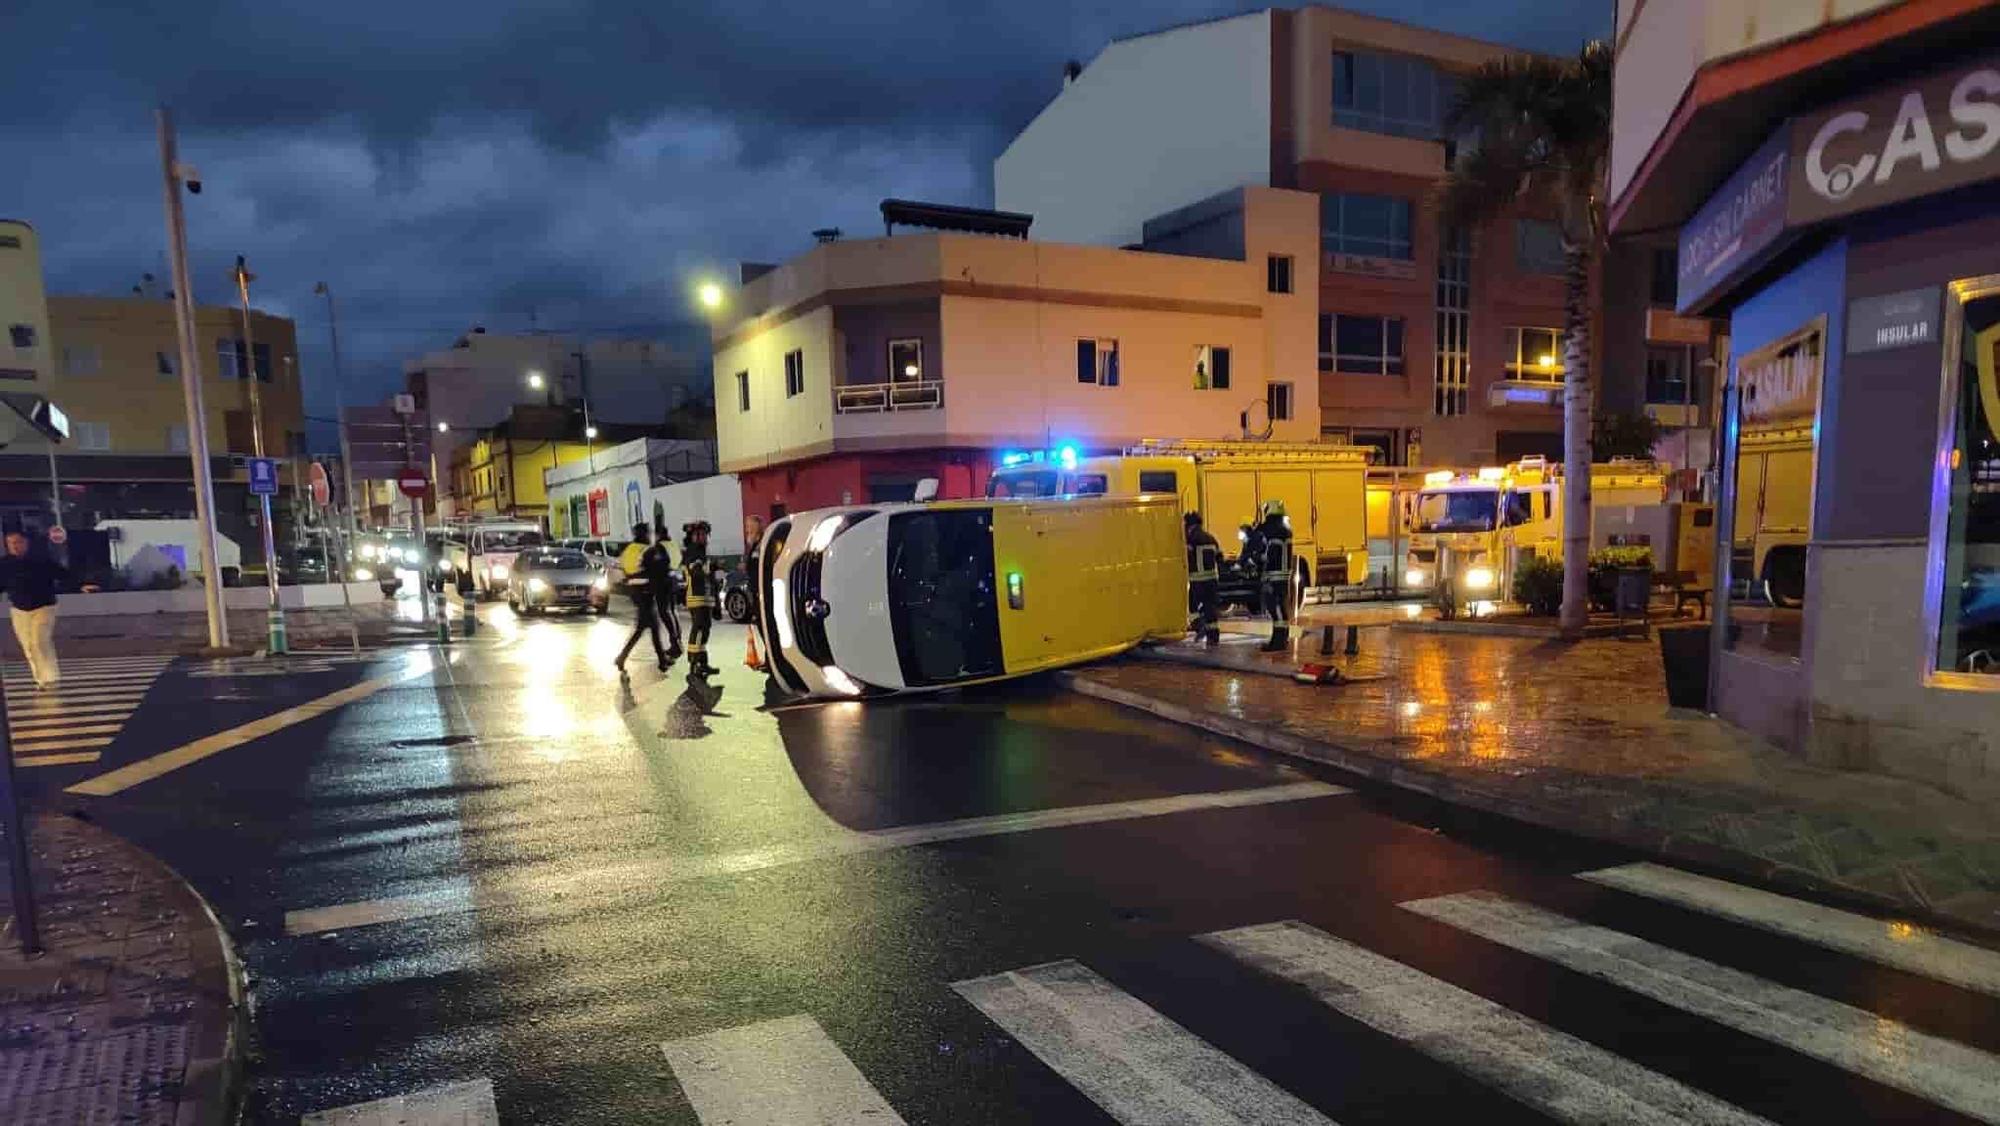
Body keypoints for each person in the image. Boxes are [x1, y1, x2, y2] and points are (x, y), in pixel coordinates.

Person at [2, 530, 68, 689]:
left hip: (44, 606)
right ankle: (40, 679)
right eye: (10, 543)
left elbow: (63, 574)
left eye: (18, 542)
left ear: (26, 543)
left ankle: (51, 678)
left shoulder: (41, 560)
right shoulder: (4, 564)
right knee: (28, 645)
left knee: (39, 641)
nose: (15, 546)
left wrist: (81, 584)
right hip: (19, 609)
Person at [613, 522, 674, 674]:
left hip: (635, 592)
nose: (650, 535)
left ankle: (661, 660)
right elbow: (656, 570)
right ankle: (659, 660)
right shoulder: (647, 550)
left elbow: (623, 570)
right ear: (644, 534)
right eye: (648, 533)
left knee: (647, 627)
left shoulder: (629, 550)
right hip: (646, 591)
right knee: (650, 627)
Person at [1255, 500, 1295, 653]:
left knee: (1274, 607)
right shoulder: (1286, 528)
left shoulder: (1269, 529)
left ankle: (1277, 642)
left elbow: (1260, 544)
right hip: (1284, 574)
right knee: (1282, 607)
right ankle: (1283, 638)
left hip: (1273, 574)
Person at [682, 521, 715, 677]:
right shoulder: (692, 551)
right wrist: (703, 571)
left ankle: (703, 662)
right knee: (698, 629)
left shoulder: (701, 552)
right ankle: (694, 663)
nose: (704, 537)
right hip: (696, 596)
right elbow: (695, 571)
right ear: (694, 536)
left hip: (704, 597)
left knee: (705, 630)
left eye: (705, 534)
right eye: (700, 534)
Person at [1184, 511, 1221, 645]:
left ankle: (1200, 627)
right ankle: (1213, 637)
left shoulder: (1190, 539)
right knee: (1210, 608)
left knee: (1193, 608)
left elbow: (1186, 558)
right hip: (1212, 580)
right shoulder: (1211, 538)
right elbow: (1220, 558)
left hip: (1197, 580)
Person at [742, 513, 766, 670]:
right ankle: (770, 660)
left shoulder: (760, 545)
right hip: (757, 591)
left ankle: (773, 661)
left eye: (749, 527)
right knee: (762, 626)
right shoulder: (755, 545)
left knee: (765, 627)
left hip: (762, 592)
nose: (746, 530)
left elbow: (760, 569)